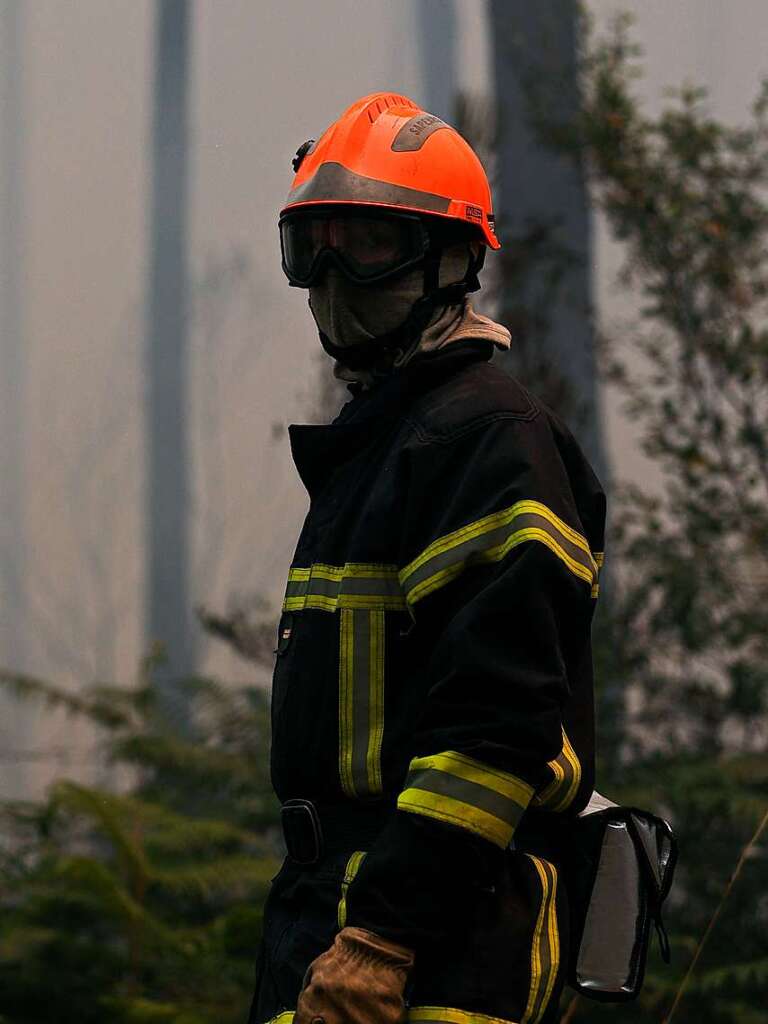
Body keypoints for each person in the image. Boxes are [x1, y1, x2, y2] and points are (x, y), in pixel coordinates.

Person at [248, 91, 606, 1024]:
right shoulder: (387, 445)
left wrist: (381, 938)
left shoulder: (487, 441)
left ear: (453, 260)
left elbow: (495, 729)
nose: (334, 274)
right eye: (313, 244)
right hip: (329, 918)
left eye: (369, 243)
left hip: (442, 952)